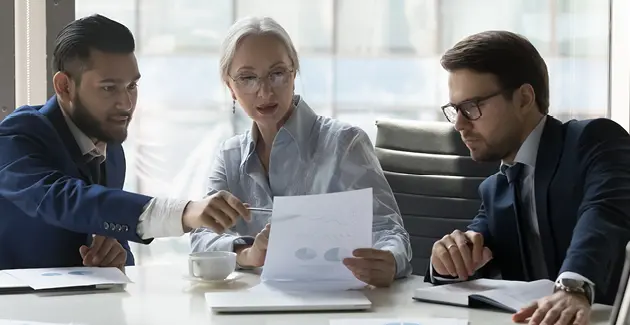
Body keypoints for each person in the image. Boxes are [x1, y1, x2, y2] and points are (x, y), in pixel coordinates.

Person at [0, 14, 251, 270]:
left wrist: (115, 259)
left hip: (74, 306)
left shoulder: (112, 152)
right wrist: (183, 213)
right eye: (109, 88)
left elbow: (115, 236)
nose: (127, 103)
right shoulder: (17, 135)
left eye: (131, 86)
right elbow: (63, 199)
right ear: (64, 86)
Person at [189, 16, 412, 287]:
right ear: (231, 89)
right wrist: (249, 253)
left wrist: (388, 259)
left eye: (277, 73)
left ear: (294, 73)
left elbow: (389, 231)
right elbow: (201, 236)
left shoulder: (345, 143)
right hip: (253, 307)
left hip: (333, 301)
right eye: (248, 78)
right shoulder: (229, 155)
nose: (265, 90)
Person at [425, 30, 630, 324]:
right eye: (455, 109)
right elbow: (475, 256)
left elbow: (604, 215)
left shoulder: (592, 141)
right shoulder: (495, 189)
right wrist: (447, 260)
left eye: (471, 107)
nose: (458, 124)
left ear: (523, 98)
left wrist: (574, 287)